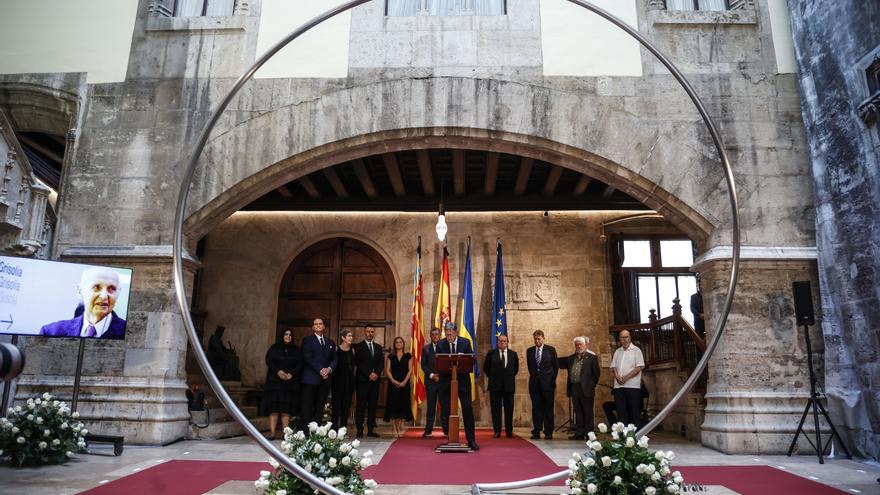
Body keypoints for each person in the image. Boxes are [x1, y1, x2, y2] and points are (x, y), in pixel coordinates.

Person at [40, 267, 127, 339]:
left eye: (112, 288)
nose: (104, 296)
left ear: (118, 293)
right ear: (80, 291)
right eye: (96, 287)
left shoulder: (128, 332)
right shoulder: (51, 332)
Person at [437, 322, 478, 450]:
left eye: (451, 334)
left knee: (467, 409)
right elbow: (437, 362)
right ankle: (451, 437)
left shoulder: (465, 343)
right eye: (447, 334)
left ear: (456, 332)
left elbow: (472, 359)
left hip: (463, 383)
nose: (449, 337)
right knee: (446, 410)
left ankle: (471, 440)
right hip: (445, 383)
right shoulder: (440, 344)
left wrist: (462, 359)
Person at [262, 328, 302, 439]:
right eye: (286, 334)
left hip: (289, 383)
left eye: (290, 334)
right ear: (282, 336)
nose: (288, 336)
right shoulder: (274, 348)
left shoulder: (296, 350)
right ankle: (272, 433)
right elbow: (268, 360)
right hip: (274, 382)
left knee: (286, 409)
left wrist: (291, 374)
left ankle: (286, 433)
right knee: (274, 408)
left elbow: (299, 364)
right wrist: (278, 371)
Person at [559, 336, 600, 440]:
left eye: (580, 344)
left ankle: (589, 433)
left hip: (586, 388)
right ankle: (579, 433)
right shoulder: (571, 358)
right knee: (578, 411)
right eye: (577, 344)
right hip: (574, 387)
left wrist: (590, 385)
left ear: (585, 345)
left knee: (588, 411)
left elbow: (596, 374)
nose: (578, 346)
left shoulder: (592, 358)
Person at [299, 318, 337, 430]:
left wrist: (329, 369)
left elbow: (335, 359)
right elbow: (307, 357)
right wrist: (321, 370)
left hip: (325, 380)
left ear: (324, 327)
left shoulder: (330, 342)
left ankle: (317, 432)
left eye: (320, 324)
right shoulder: (307, 340)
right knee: (307, 407)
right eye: (316, 324)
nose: (318, 325)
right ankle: (305, 433)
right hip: (310, 379)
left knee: (320, 407)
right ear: (313, 327)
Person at [483, 334, 518, 438]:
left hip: (509, 386)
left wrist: (507, 378)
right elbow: (486, 368)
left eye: (504, 341)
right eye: (500, 341)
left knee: (509, 409)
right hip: (495, 386)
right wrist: (494, 377)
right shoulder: (491, 353)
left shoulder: (513, 354)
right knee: (495, 409)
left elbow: (515, 370)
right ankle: (497, 431)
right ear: (497, 342)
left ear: (507, 343)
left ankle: (509, 431)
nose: (502, 343)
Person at [526, 329, 558, 440]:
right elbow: (530, 367)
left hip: (548, 384)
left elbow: (556, 367)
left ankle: (548, 431)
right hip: (534, 384)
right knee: (536, 408)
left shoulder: (550, 350)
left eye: (539, 339)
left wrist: (550, 380)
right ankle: (537, 430)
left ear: (543, 338)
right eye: (535, 339)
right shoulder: (529, 351)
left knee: (548, 408)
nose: (537, 341)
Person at [354, 326, 384, 438]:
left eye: (372, 332)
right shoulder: (358, 347)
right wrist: (368, 374)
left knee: (372, 406)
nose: (370, 333)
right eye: (368, 332)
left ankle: (371, 429)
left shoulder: (378, 347)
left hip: (375, 382)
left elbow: (381, 362)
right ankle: (360, 430)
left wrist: (376, 373)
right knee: (361, 406)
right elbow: (358, 362)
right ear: (364, 332)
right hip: (362, 381)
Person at [611, 329, 645, 428]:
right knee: (621, 412)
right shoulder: (617, 351)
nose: (625, 339)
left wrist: (625, 378)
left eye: (626, 337)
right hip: (618, 387)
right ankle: (622, 437)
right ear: (619, 339)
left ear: (630, 338)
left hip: (632, 386)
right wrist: (617, 376)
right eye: (622, 337)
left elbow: (639, 367)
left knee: (634, 412)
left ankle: (636, 436)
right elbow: (613, 366)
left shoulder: (636, 350)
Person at [383, 336, 414, 437]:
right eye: (396, 342)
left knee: (402, 405)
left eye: (400, 342)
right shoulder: (390, 357)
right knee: (393, 405)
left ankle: (400, 427)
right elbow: (388, 370)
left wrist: (405, 381)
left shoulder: (408, 356)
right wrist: (393, 381)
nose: (399, 344)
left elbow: (410, 370)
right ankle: (394, 428)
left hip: (404, 384)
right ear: (394, 344)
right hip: (393, 384)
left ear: (403, 344)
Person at [420, 327, 447, 437]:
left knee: (444, 407)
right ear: (430, 336)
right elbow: (423, 365)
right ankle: (428, 430)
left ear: (440, 335)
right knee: (431, 407)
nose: (435, 336)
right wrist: (432, 375)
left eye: (437, 334)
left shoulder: (445, 348)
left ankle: (446, 430)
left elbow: (447, 363)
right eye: (433, 334)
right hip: (431, 382)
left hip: (443, 382)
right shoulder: (426, 349)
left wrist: (441, 376)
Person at [331, 329, 357, 431]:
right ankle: (333, 430)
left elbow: (354, 366)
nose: (351, 338)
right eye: (349, 336)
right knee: (336, 407)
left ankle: (343, 430)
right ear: (343, 338)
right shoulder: (336, 349)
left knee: (346, 407)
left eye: (351, 336)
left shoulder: (353, 350)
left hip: (349, 383)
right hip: (337, 383)